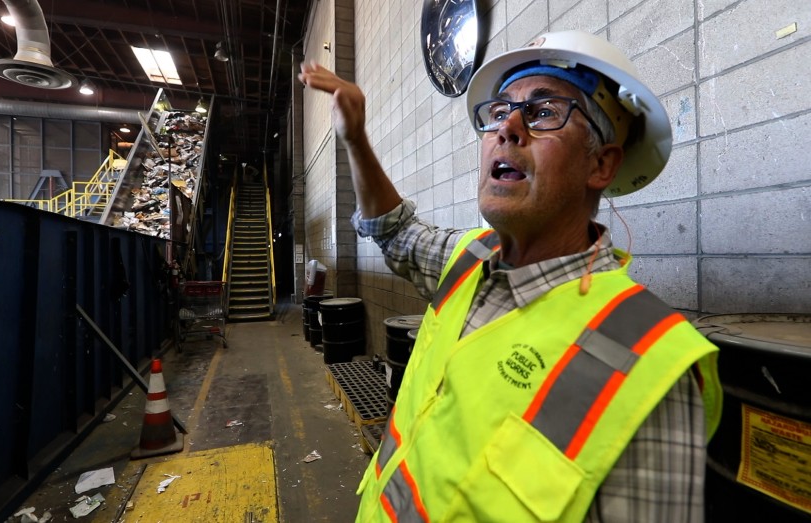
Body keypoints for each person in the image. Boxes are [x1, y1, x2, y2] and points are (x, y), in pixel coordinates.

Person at [299, 30, 722, 523]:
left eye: (544, 112)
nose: (508, 127)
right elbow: (395, 231)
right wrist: (354, 138)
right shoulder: (468, 260)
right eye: (499, 112)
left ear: (601, 164)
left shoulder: (648, 368)